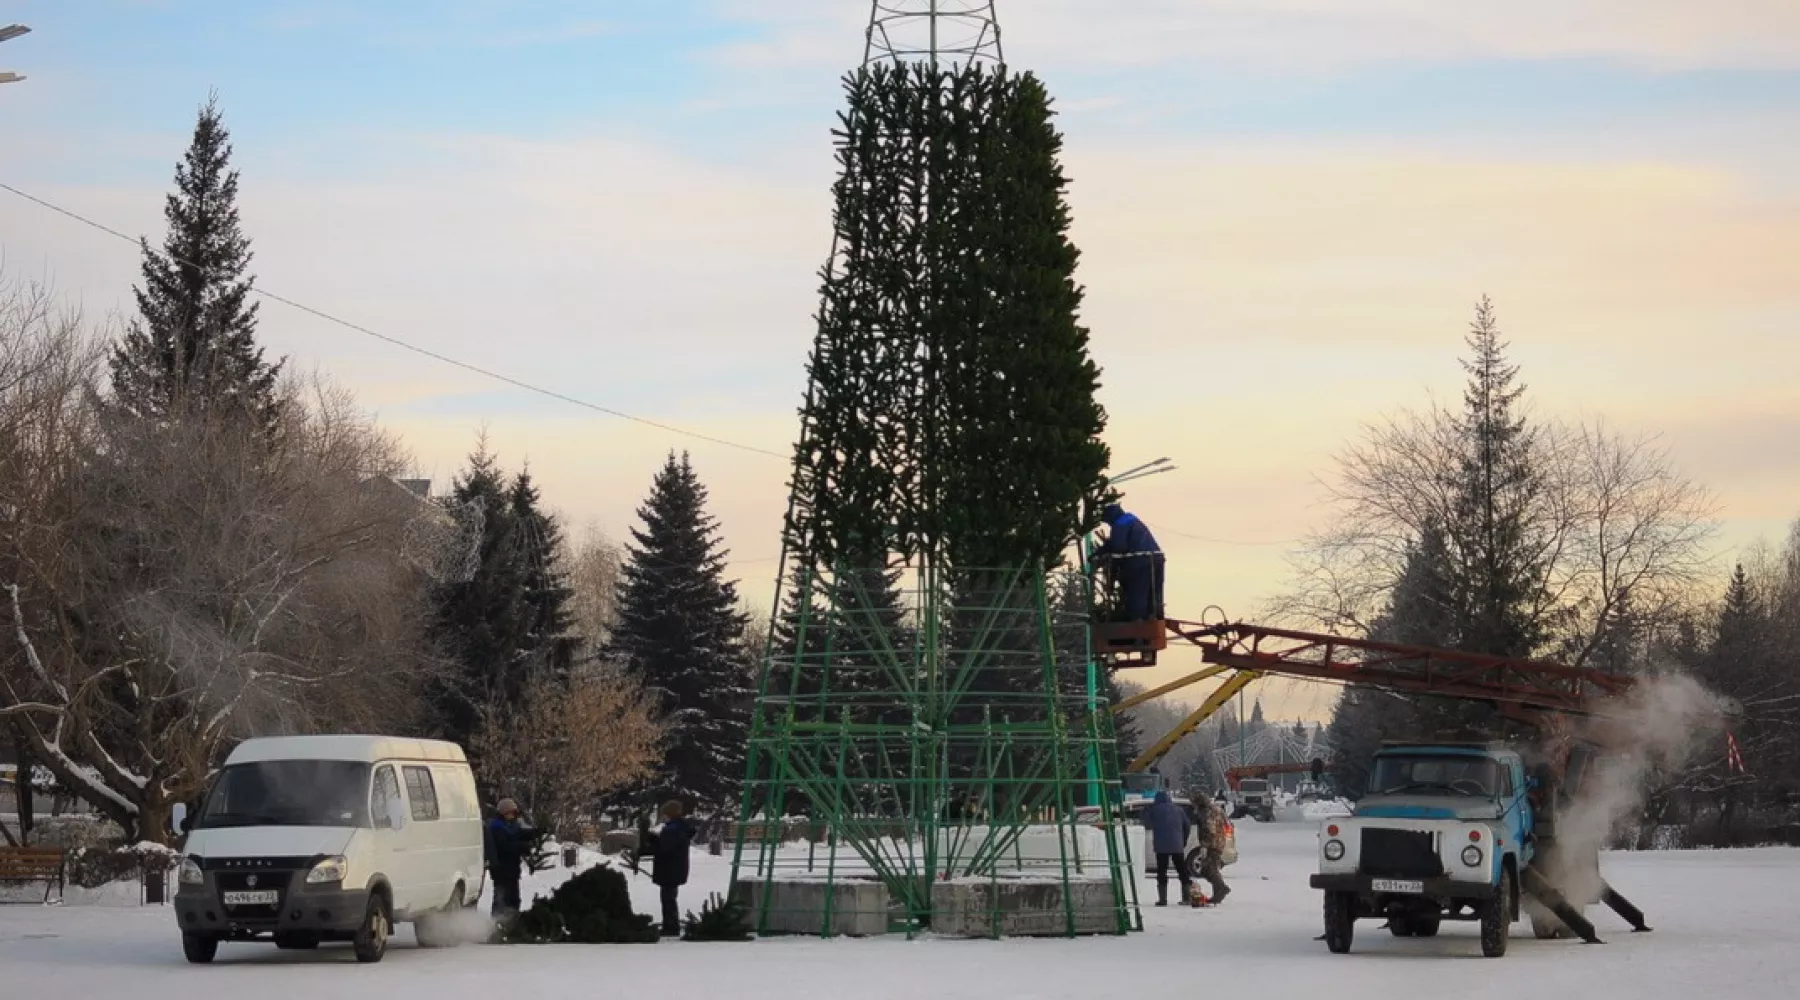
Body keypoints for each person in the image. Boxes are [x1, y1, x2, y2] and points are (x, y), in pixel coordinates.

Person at [1093, 503, 1165, 621]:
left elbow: (1118, 547)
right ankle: (1155, 618)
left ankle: (1139, 628)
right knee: (1154, 594)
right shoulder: (1132, 520)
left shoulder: (1120, 524)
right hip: (1157, 558)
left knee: (1137, 594)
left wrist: (1101, 554)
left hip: (1140, 560)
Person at [642, 799, 695, 937]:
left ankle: (671, 927)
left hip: (669, 869)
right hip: (675, 869)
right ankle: (670, 925)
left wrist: (651, 841)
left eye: (664, 814)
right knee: (670, 897)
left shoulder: (672, 830)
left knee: (668, 899)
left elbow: (664, 849)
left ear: (669, 814)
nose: (662, 817)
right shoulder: (680, 828)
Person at [1141, 790, 1195, 907]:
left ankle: (1162, 899)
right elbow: (1187, 825)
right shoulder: (1179, 810)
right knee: (1182, 871)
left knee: (1162, 872)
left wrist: (1146, 810)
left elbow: (1147, 823)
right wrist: (1183, 839)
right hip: (1177, 845)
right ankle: (1186, 897)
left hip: (1161, 847)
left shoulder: (1155, 810)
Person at [485, 797, 530, 920]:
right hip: (501, 871)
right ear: (504, 813)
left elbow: (519, 833)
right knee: (502, 901)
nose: (514, 816)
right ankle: (497, 925)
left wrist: (535, 833)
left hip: (512, 871)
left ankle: (512, 923)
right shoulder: (497, 827)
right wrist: (522, 847)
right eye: (512, 813)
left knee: (513, 900)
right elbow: (505, 847)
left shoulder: (509, 825)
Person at [1195, 795, 1231, 905]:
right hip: (1220, 842)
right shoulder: (1218, 809)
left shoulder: (1207, 813)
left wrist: (1205, 846)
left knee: (1207, 869)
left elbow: (1210, 830)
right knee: (1213, 868)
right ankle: (1218, 894)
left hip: (1212, 844)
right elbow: (1227, 824)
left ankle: (1222, 888)